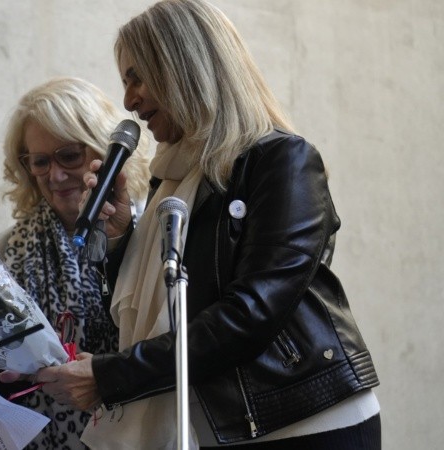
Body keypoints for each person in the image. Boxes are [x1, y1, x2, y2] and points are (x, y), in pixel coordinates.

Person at [27, 1, 381, 449]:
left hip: (304, 420)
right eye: (125, 83)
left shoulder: (283, 160)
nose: (129, 102)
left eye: (137, 77)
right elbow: (170, 307)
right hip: (220, 426)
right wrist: (119, 238)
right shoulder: (174, 179)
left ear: (183, 66)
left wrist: (110, 375)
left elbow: (250, 315)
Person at [0, 76, 151, 449]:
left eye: (69, 156)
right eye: (41, 162)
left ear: (105, 150)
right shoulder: (4, 252)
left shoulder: (151, 232)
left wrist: (105, 375)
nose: (56, 175)